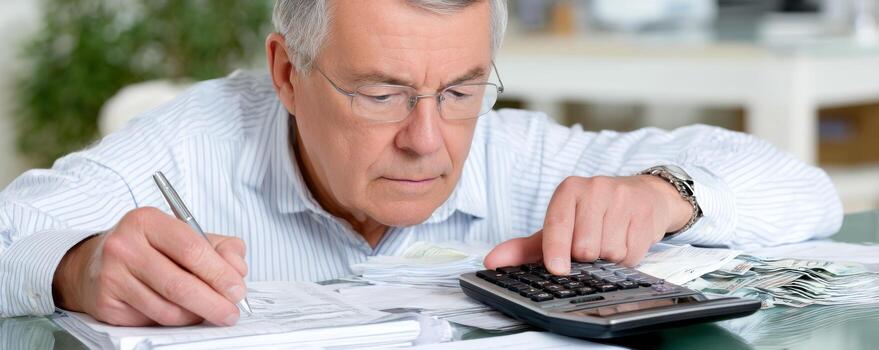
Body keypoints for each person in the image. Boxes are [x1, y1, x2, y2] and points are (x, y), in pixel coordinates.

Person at [0, 0, 841, 328]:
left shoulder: (517, 157)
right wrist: (79, 266)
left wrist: (666, 195)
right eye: (380, 94)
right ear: (288, 73)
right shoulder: (189, 144)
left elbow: (804, 191)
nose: (427, 141)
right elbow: (12, 233)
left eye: (462, 89)